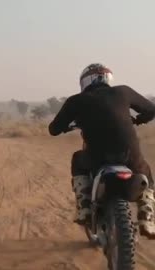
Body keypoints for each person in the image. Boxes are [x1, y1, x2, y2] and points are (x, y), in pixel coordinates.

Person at [48, 63, 155, 238]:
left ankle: (84, 209)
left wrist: (65, 126)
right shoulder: (123, 91)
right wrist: (138, 120)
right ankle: (147, 218)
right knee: (146, 174)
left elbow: (53, 130)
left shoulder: (76, 100)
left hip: (97, 157)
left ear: (84, 82)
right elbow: (151, 109)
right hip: (129, 155)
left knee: (78, 159)